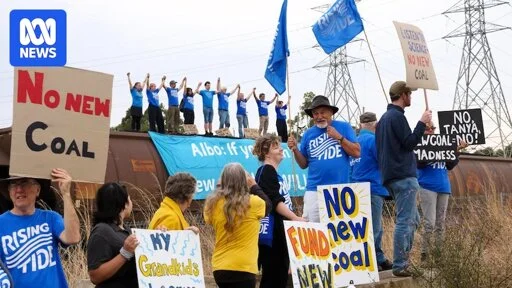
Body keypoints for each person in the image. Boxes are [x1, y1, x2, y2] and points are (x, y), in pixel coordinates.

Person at [375, 80, 432, 277]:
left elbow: (396, 144)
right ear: (404, 95)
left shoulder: (383, 120)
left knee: (413, 219)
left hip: (390, 176)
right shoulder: (397, 117)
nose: (411, 98)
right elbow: (408, 144)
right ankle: (401, 265)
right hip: (403, 175)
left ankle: (404, 258)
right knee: (405, 220)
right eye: (410, 94)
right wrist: (421, 122)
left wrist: (420, 131)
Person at [0, 168, 80, 288]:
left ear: (37, 190)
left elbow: (73, 238)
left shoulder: (50, 218)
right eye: (13, 184)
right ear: (9, 192)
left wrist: (66, 194)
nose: (19, 189)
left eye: (24, 183)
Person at [287, 95, 360, 222]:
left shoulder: (344, 127)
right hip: (314, 191)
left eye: (322, 112)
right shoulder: (308, 134)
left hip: (339, 190)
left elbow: (357, 152)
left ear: (331, 112)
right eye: (315, 113)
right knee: (313, 233)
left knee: (338, 234)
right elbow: (304, 164)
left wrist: (339, 137)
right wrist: (295, 150)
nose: (319, 116)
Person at [204, 163, 271, 288]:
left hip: (220, 268)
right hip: (244, 268)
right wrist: (254, 186)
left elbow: (208, 219)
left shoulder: (212, 204)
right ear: (244, 181)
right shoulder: (253, 203)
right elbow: (268, 205)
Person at [252, 135, 305, 288]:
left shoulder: (272, 172)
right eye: (276, 147)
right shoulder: (266, 170)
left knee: (279, 276)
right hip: (272, 234)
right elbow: (274, 201)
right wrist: (295, 218)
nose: (281, 149)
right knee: (273, 277)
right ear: (266, 153)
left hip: (279, 232)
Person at [417, 123, 467, 262]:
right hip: (427, 186)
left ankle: (439, 256)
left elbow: (450, 164)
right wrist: (435, 154)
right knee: (429, 223)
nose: (431, 131)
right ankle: (425, 256)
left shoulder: (443, 144)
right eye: (428, 129)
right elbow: (418, 163)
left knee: (440, 224)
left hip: (443, 187)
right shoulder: (419, 145)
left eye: (433, 128)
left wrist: (457, 150)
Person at [350, 112, 393, 272]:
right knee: (375, 227)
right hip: (373, 188)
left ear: (360, 125)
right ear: (376, 125)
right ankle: (373, 261)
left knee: (361, 227)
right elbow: (383, 162)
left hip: (355, 189)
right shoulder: (374, 141)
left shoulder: (353, 141)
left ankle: (377, 258)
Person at [87, 183, 139, 287]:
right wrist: (124, 254)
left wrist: (157, 235)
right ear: (124, 204)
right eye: (129, 199)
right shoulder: (101, 231)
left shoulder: (126, 230)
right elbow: (95, 276)